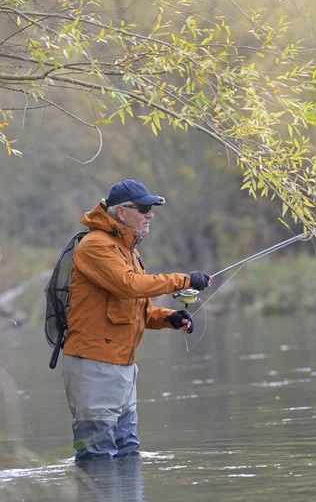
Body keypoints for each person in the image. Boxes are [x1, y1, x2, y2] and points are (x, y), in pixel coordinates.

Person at [62, 179, 210, 462]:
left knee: (128, 451)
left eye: (151, 208)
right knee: (98, 457)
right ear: (121, 213)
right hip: (93, 365)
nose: (150, 214)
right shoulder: (95, 246)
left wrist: (169, 317)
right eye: (144, 208)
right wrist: (183, 280)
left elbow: (137, 307)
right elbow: (128, 285)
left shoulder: (129, 251)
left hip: (123, 368)